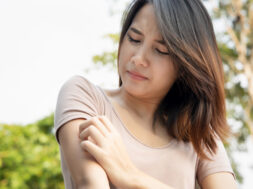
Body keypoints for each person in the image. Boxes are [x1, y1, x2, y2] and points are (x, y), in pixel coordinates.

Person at [54, 0, 237, 188]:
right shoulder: (86, 97)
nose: (138, 58)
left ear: (185, 65)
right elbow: (90, 183)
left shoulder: (199, 136)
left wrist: (130, 175)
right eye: (134, 39)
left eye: (160, 50)